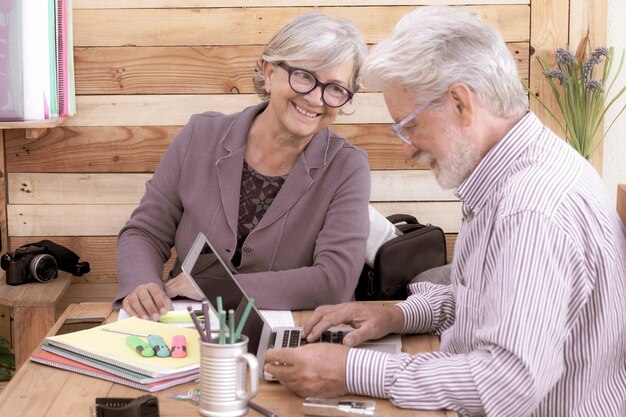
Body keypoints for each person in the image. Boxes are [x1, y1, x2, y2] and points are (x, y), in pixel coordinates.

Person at [264, 6, 626, 417]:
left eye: (409, 126)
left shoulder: (531, 208)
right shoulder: (512, 171)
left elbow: (505, 383)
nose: (407, 149)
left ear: (459, 103)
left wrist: (352, 370)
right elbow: (493, 300)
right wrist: (395, 314)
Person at [114, 13, 371, 320]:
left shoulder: (348, 167)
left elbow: (334, 281)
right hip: (182, 326)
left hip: (286, 342)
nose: (316, 99)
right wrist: (142, 283)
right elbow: (144, 232)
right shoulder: (201, 135)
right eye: (304, 76)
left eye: (336, 89)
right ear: (270, 71)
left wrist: (218, 287)